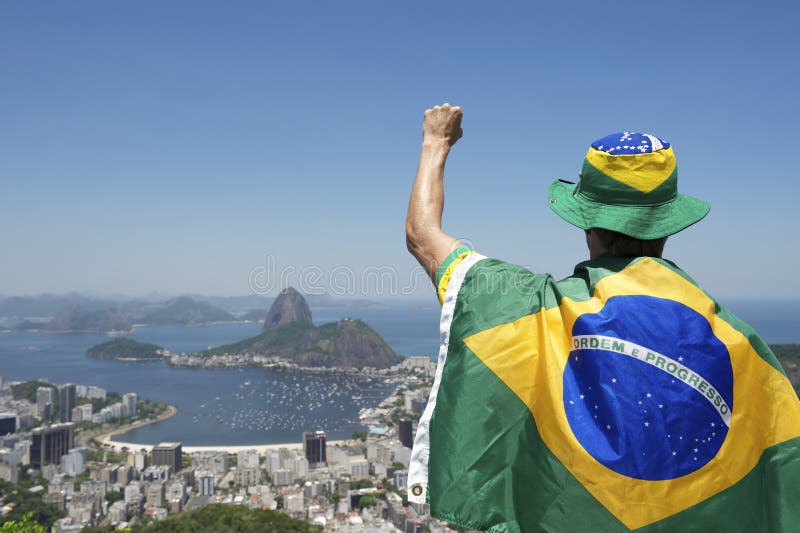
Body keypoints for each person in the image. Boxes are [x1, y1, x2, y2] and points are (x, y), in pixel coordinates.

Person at [405, 104, 800, 532]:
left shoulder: (533, 310)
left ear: (587, 225)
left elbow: (423, 237)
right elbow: (783, 469)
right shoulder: (741, 345)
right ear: (668, 222)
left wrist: (436, 142)